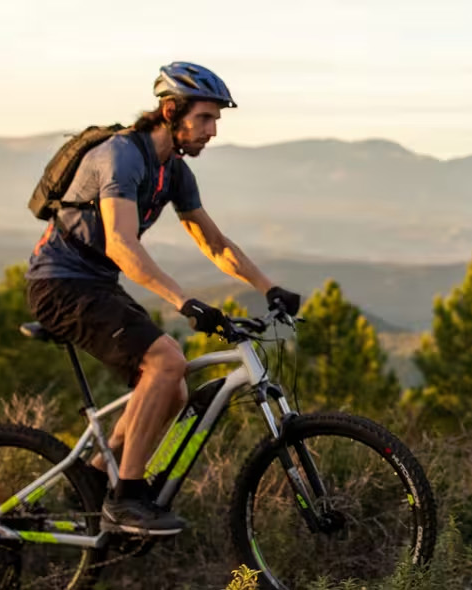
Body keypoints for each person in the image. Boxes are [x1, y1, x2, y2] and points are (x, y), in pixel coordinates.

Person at [25, 62, 302, 535]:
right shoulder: (121, 157)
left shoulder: (172, 170)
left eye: (217, 120)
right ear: (171, 112)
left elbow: (214, 242)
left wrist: (268, 287)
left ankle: (97, 480)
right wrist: (184, 301)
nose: (213, 131)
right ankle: (127, 498)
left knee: (172, 386)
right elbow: (121, 244)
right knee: (167, 361)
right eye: (206, 118)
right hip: (60, 284)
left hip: (97, 286)